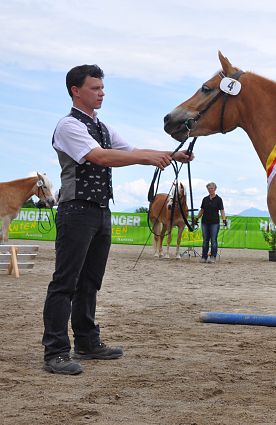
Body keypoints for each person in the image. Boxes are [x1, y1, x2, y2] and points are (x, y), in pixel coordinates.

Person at [42, 64, 194, 375]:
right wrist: (147, 158)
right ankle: (55, 351)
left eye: (101, 87)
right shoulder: (69, 126)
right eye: (95, 88)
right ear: (76, 90)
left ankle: (86, 341)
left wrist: (171, 154)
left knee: (90, 281)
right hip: (76, 210)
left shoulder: (103, 127)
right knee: (65, 282)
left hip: (100, 211)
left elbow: (131, 150)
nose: (102, 93)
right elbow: (100, 156)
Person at [196, 182, 227, 263]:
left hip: (214, 223)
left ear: (215, 189)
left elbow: (222, 210)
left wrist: (224, 219)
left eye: (212, 188)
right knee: (205, 240)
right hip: (204, 222)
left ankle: (213, 257)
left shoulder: (219, 199)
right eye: (209, 189)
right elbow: (202, 210)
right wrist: (196, 218)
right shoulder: (205, 199)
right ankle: (204, 257)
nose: (210, 190)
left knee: (213, 240)